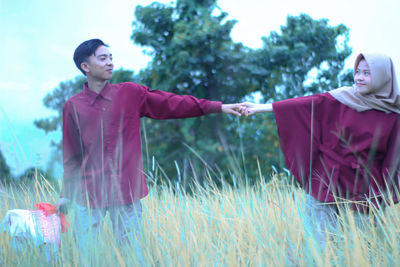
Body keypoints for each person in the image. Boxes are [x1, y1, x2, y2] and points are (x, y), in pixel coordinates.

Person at [55, 39, 243, 260]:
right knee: (86, 257)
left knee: (133, 258)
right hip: (89, 194)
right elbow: (72, 156)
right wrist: (66, 194)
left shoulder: (130, 94)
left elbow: (173, 103)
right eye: (102, 58)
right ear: (85, 66)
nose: (110, 63)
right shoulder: (73, 107)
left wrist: (219, 107)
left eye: (111, 58)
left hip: (126, 192)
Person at [240, 53, 400, 249]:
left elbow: (392, 163)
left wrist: (381, 202)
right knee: (320, 249)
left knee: (355, 253)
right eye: (357, 71)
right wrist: (260, 108)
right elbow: (304, 105)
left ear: (383, 75)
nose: (358, 77)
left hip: (364, 193)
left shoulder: (393, 115)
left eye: (367, 73)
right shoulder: (343, 98)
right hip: (326, 181)